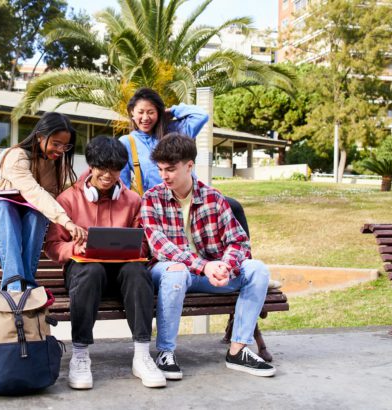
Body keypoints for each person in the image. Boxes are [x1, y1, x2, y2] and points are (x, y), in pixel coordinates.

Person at [141, 133, 276, 380]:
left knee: (257, 269)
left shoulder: (214, 198)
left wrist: (225, 265)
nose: (164, 176)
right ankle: (165, 353)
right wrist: (205, 266)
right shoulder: (152, 198)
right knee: (176, 270)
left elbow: (238, 240)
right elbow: (160, 247)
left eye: (170, 169)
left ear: (189, 166)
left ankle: (238, 350)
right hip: (171, 273)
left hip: (212, 275)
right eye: (160, 170)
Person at [45, 136, 166, 390]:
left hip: (122, 273)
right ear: (91, 166)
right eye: (102, 168)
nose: (108, 175)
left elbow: (143, 242)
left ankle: (142, 355)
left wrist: (134, 247)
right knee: (90, 269)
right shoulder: (68, 199)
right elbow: (53, 246)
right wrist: (76, 247)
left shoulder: (133, 200)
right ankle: (80, 355)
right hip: (85, 273)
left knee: (137, 270)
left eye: (115, 169)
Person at [119, 87, 250, 237]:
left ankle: (243, 255)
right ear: (132, 112)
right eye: (140, 112)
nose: (145, 118)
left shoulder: (176, 131)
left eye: (151, 112)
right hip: (159, 203)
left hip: (192, 197)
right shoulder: (127, 142)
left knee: (233, 206)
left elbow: (201, 115)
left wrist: (173, 110)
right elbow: (124, 186)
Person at [0, 112, 86, 291]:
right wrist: (67, 222)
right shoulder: (17, 156)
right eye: (55, 143)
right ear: (39, 137)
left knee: (38, 215)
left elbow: (51, 199)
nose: (60, 150)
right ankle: (14, 285)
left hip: (27, 212)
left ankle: (27, 282)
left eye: (65, 146)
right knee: (6, 210)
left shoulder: (55, 165)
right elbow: (35, 193)